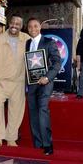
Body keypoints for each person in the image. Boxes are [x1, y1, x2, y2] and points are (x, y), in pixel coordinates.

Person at [0, 14, 29, 151]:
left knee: (15, 111)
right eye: (13, 22)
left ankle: (11, 138)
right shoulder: (0, 39)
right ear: (9, 23)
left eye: (18, 23)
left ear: (21, 26)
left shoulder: (26, 39)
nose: (14, 25)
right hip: (1, 82)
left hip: (19, 82)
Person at [26, 17, 61, 155]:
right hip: (31, 83)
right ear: (27, 29)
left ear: (40, 27)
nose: (33, 29)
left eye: (35, 26)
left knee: (42, 111)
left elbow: (57, 62)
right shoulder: (27, 43)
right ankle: (38, 143)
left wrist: (47, 77)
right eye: (29, 26)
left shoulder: (49, 42)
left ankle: (48, 144)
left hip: (45, 83)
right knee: (33, 112)